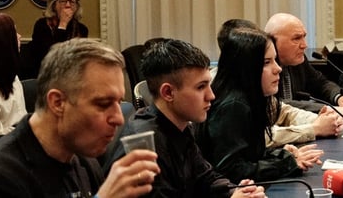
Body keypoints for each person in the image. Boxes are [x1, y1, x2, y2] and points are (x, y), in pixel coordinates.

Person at [0, 39, 160, 198]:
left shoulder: (83, 160)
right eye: (103, 104)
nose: (119, 118)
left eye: (118, 102)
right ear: (57, 102)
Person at [104, 38, 265, 198]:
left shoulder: (180, 126)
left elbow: (205, 177)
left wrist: (235, 191)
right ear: (168, 93)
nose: (211, 95)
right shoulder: (144, 144)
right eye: (201, 87)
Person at [196, 27, 324, 183]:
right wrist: (287, 164)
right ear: (246, 67)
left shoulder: (250, 98)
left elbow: (248, 157)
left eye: (275, 60)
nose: (278, 69)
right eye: (266, 62)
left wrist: (282, 156)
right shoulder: (234, 105)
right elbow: (231, 170)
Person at [214, 19, 343, 147]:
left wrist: (324, 120)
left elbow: (283, 111)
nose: (278, 69)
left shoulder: (253, 87)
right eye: (266, 62)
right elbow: (261, 138)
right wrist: (314, 129)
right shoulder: (231, 102)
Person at [264, 13, 343, 123]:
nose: (304, 45)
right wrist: (331, 110)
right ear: (272, 41)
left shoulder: (298, 60)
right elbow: (277, 105)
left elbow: (321, 83)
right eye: (296, 38)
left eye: (304, 37)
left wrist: (338, 97)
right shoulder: (260, 67)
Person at [20, 0, 89, 79]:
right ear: (54, 4)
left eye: (72, 2)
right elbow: (51, 54)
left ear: (76, 6)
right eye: (63, 1)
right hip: (44, 74)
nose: (68, 5)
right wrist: (63, 24)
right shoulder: (42, 25)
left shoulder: (81, 29)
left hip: (70, 75)